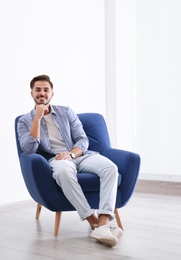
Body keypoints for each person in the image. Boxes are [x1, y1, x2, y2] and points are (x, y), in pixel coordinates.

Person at [17, 74, 122, 247]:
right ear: (32, 93)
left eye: (46, 90)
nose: (42, 93)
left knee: (110, 167)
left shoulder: (66, 112)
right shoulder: (24, 120)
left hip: (79, 155)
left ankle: (103, 222)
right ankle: (92, 221)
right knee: (64, 172)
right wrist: (37, 118)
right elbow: (29, 149)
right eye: (38, 90)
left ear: (52, 93)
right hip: (56, 159)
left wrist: (72, 154)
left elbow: (82, 139)